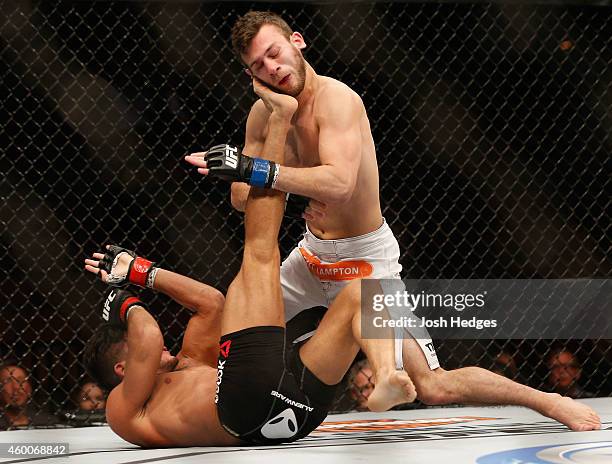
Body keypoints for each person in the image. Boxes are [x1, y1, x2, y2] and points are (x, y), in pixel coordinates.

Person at [83, 87, 415, 446]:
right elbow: (147, 336)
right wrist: (120, 302)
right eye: (135, 353)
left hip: (297, 411)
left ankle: (384, 376)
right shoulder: (122, 408)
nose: (165, 351)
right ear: (122, 369)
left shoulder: (190, 362)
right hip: (241, 408)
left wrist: (141, 272)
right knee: (259, 251)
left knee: (367, 291)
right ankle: (279, 121)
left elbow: (211, 303)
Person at [184, 12, 439, 374]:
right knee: (232, 331)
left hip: (365, 257)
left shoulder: (337, 100)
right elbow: (240, 200)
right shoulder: (264, 114)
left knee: (430, 383)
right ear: (251, 77)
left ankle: (549, 402)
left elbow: (338, 185)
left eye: (274, 53)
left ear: (297, 42)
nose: (271, 68)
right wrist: (281, 120)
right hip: (311, 257)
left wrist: (257, 170)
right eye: (258, 65)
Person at [0, 363, 32, 429]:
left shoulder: (48, 421)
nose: (16, 387)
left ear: (29, 388)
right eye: (8, 381)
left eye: (20, 380)